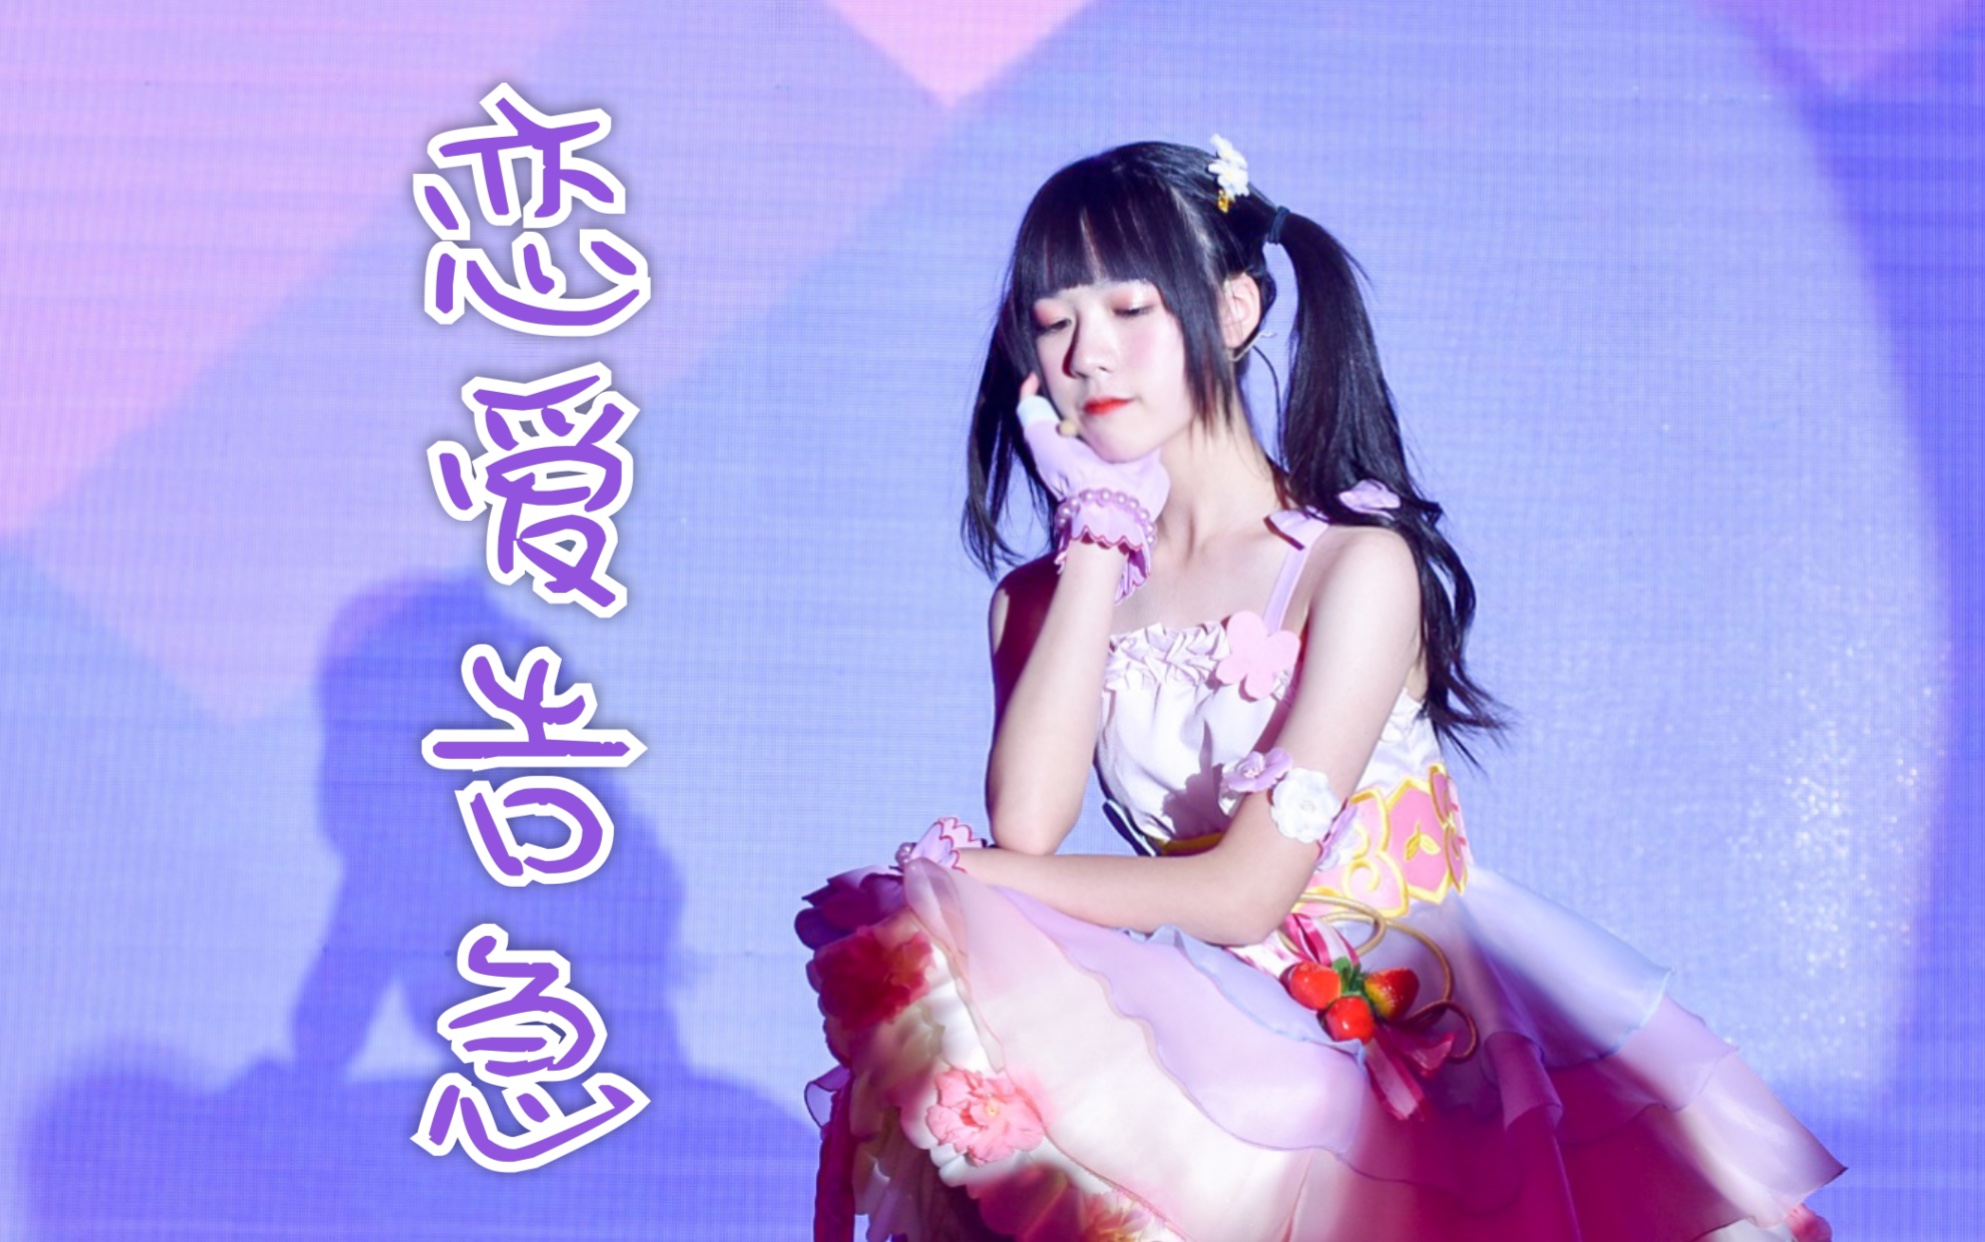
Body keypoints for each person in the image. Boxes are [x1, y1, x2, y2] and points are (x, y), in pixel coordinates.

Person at [797, 139, 1841, 1242]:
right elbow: (1029, 825)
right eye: (1053, 324)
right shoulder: (1041, 599)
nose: (1087, 355)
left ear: (1233, 309)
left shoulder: (1355, 566)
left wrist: (960, 876)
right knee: (953, 982)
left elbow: (1247, 893)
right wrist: (1097, 535)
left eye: (1129, 310)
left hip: (1409, 1021)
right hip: (1220, 1011)